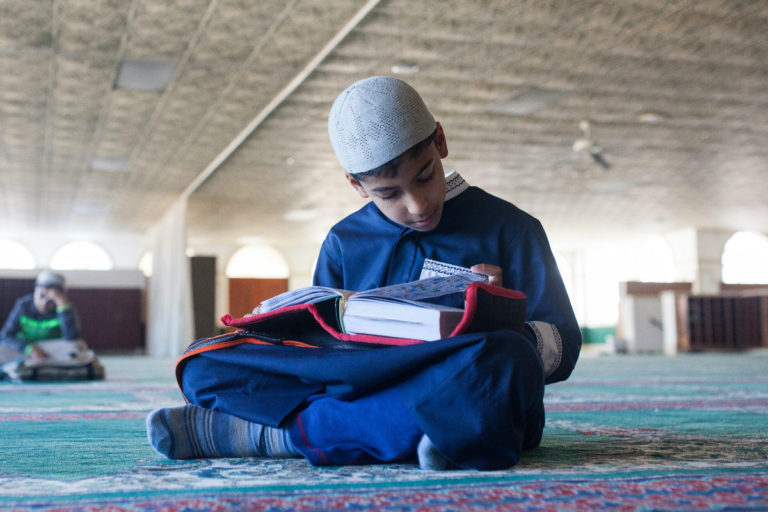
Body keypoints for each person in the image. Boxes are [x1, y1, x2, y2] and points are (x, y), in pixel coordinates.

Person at [147, 76, 581, 470]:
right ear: (356, 185)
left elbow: (564, 346)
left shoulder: (511, 228)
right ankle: (429, 432)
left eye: (425, 177)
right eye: (389, 194)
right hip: (363, 379)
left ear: (441, 142)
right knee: (204, 363)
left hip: (462, 377)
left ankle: (276, 436)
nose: (417, 205)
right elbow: (317, 345)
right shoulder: (343, 241)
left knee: (505, 358)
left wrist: (503, 318)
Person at [0, 270, 82, 364]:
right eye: (41, 296)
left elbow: (72, 338)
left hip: (51, 349)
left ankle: (40, 365)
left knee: (75, 346)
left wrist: (63, 307)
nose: (44, 303)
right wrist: (30, 349)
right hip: (25, 348)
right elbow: (5, 336)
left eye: (51, 299)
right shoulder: (23, 305)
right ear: (35, 291)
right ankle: (42, 365)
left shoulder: (64, 307)